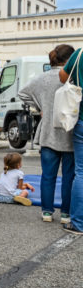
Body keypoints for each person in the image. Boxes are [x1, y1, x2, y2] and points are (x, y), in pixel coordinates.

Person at [19, 44, 75, 223]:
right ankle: (66, 213)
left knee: (48, 175)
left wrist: (40, 107)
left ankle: (47, 212)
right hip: (69, 132)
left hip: (48, 132)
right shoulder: (72, 77)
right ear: (69, 60)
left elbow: (22, 93)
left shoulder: (42, 78)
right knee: (69, 177)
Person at [59, 47, 83, 235]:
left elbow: (62, 76)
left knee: (81, 172)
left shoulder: (80, 53)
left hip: (81, 119)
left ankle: (78, 223)